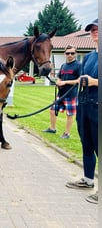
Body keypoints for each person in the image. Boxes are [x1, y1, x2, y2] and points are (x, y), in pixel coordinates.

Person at [65, 19, 98, 204]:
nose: (94, 32)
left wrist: (94, 82)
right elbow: (82, 79)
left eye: (97, 29)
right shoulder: (89, 57)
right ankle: (88, 179)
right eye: (92, 30)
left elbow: (93, 81)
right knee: (87, 144)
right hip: (84, 105)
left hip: (98, 106)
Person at [42, 45, 81, 139]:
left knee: (70, 114)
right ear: (65, 54)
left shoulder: (79, 65)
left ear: (75, 54)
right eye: (68, 53)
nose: (70, 55)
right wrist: (58, 82)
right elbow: (59, 76)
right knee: (52, 110)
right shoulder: (64, 66)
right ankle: (52, 128)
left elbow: (80, 80)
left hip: (71, 94)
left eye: (72, 53)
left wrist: (65, 82)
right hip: (61, 93)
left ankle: (66, 133)